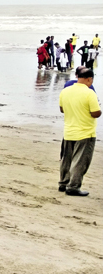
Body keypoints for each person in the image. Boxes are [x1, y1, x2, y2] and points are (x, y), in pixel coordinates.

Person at [58, 67, 100, 196]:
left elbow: (62, 109)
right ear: (89, 79)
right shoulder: (89, 93)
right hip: (85, 132)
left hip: (69, 130)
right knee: (80, 161)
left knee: (67, 159)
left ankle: (63, 183)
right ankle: (74, 186)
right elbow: (95, 113)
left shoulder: (65, 91)